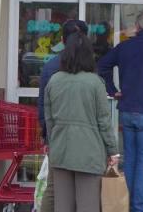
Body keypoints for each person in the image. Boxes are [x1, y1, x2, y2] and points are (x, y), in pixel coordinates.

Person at [98, 10, 143, 212]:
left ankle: (128, 204)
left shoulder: (124, 47)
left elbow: (102, 65)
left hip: (128, 111)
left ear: (137, 27)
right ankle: (140, 207)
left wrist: (113, 91)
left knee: (130, 160)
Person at [44, 31, 120, 212]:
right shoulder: (95, 82)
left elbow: (49, 120)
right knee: (88, 205)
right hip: (89, 153)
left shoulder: (54, 81)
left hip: (61, 151)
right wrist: (112, 151)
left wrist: (53, 144)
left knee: (62, 205)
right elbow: (103, 120)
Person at [36, 19, 89, 212]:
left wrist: (46, 135)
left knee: (54, 185)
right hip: (85, 137)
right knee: (83, 187)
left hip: (58, 134)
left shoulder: (51, 67)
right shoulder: (89, 67)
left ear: (62, 39)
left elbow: (43, 104)